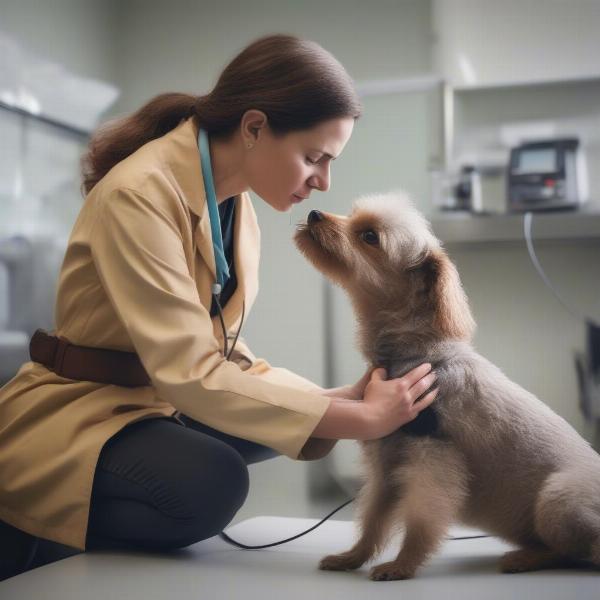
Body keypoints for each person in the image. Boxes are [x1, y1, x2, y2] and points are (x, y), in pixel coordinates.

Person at [0, 34, 438, 580]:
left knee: (301, 426)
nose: (323, 181)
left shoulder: (234, 205)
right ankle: (37, 527)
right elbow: (191, 371)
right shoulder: (138, 193)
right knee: (214, 482)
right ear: (254, 127)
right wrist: (362, 418)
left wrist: (335, 401)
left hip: (157, 397)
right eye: (313, 157)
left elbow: (226, 354)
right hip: (85, 407)